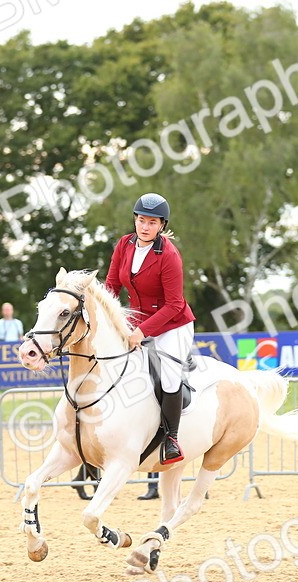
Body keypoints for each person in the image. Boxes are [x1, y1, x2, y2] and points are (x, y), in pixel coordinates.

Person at [104, 192, 195, 465]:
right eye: (141, 220)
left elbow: (175, 304)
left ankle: (171, 438)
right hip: (135, 321)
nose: (145, 227)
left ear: (162, 226)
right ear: (135, 220)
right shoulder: (124, 244)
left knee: (168, 375)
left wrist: (142, 332)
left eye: (152, 222)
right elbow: (111, 286)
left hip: (173, 324)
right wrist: (109, 319)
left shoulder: (169, 255)